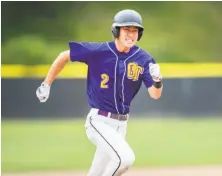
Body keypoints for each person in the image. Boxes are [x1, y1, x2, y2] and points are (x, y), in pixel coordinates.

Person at [36, 9, 163, 176]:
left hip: (121, 125)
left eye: (135, 30)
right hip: (99, 121)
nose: (131, 34)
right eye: (127, 29)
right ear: (116, 31)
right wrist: (47, 83)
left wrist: (157, 80)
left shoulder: (144, 58)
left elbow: (155, 94)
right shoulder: (98, 51)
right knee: (125, 159)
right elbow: (64, 56)